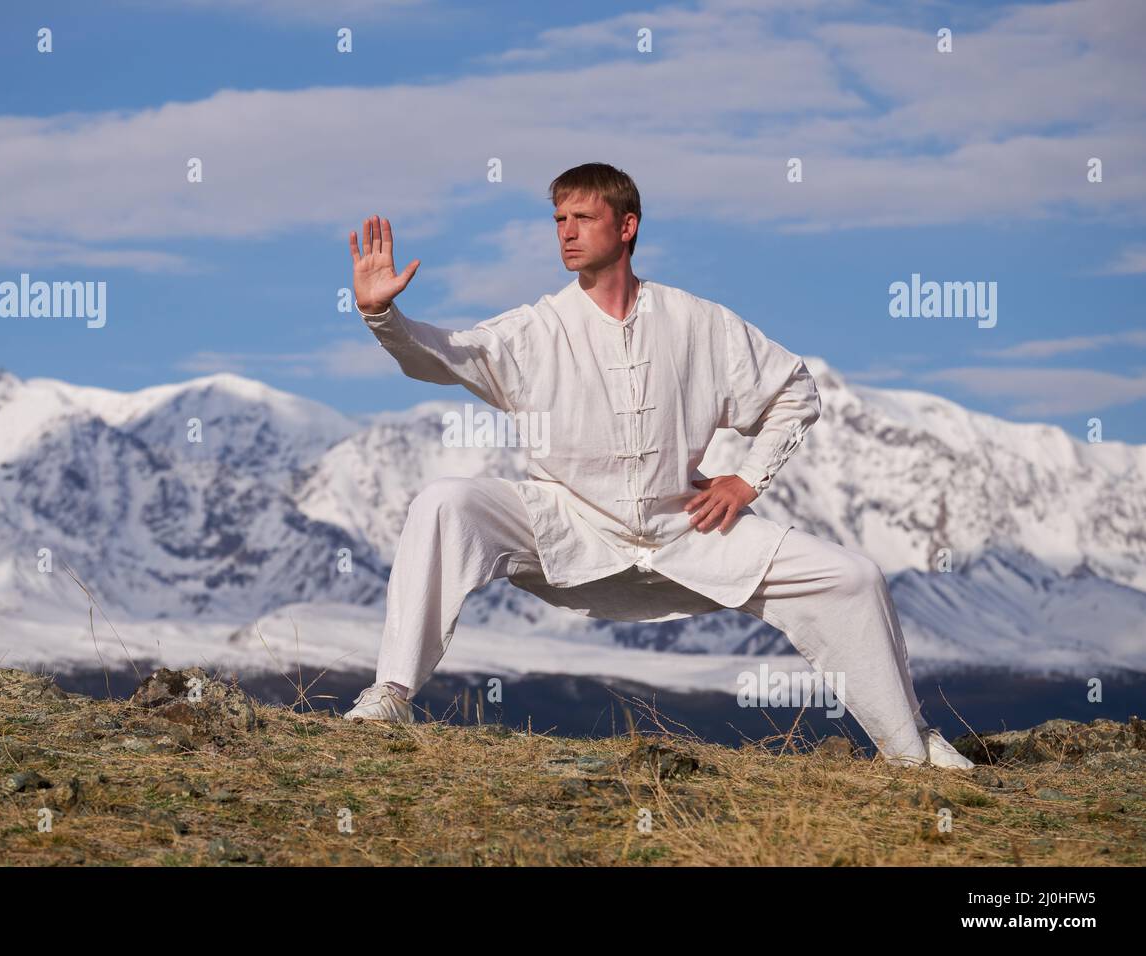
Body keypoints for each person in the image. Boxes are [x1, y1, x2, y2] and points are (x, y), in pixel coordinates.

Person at [341, 162, 973, 771]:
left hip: (687, 529)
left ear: (627, 226)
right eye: (558, 218)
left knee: (853, 577)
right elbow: (442, 356)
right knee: (445, 501)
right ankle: (391, 693)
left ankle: (910, 747)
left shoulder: (700, 323)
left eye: (583, 216)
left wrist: (746, 478)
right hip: (567, 524)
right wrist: (383, 316)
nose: (565, 230)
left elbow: (795, 392)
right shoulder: (536, 329)